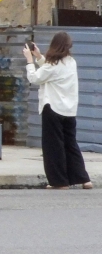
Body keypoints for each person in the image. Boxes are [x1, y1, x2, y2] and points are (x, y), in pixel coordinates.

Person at [23, 32, 93, 189]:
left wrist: (29, 60)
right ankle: (83, 179)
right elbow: (49, 73)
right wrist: (39, 56)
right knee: (70, 144)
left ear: (54, 45)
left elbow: (35, 78)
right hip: (69, 110)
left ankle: (59, 182)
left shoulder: (52, 65)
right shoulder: (71, 62)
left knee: (53, 146)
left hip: (52, 109)